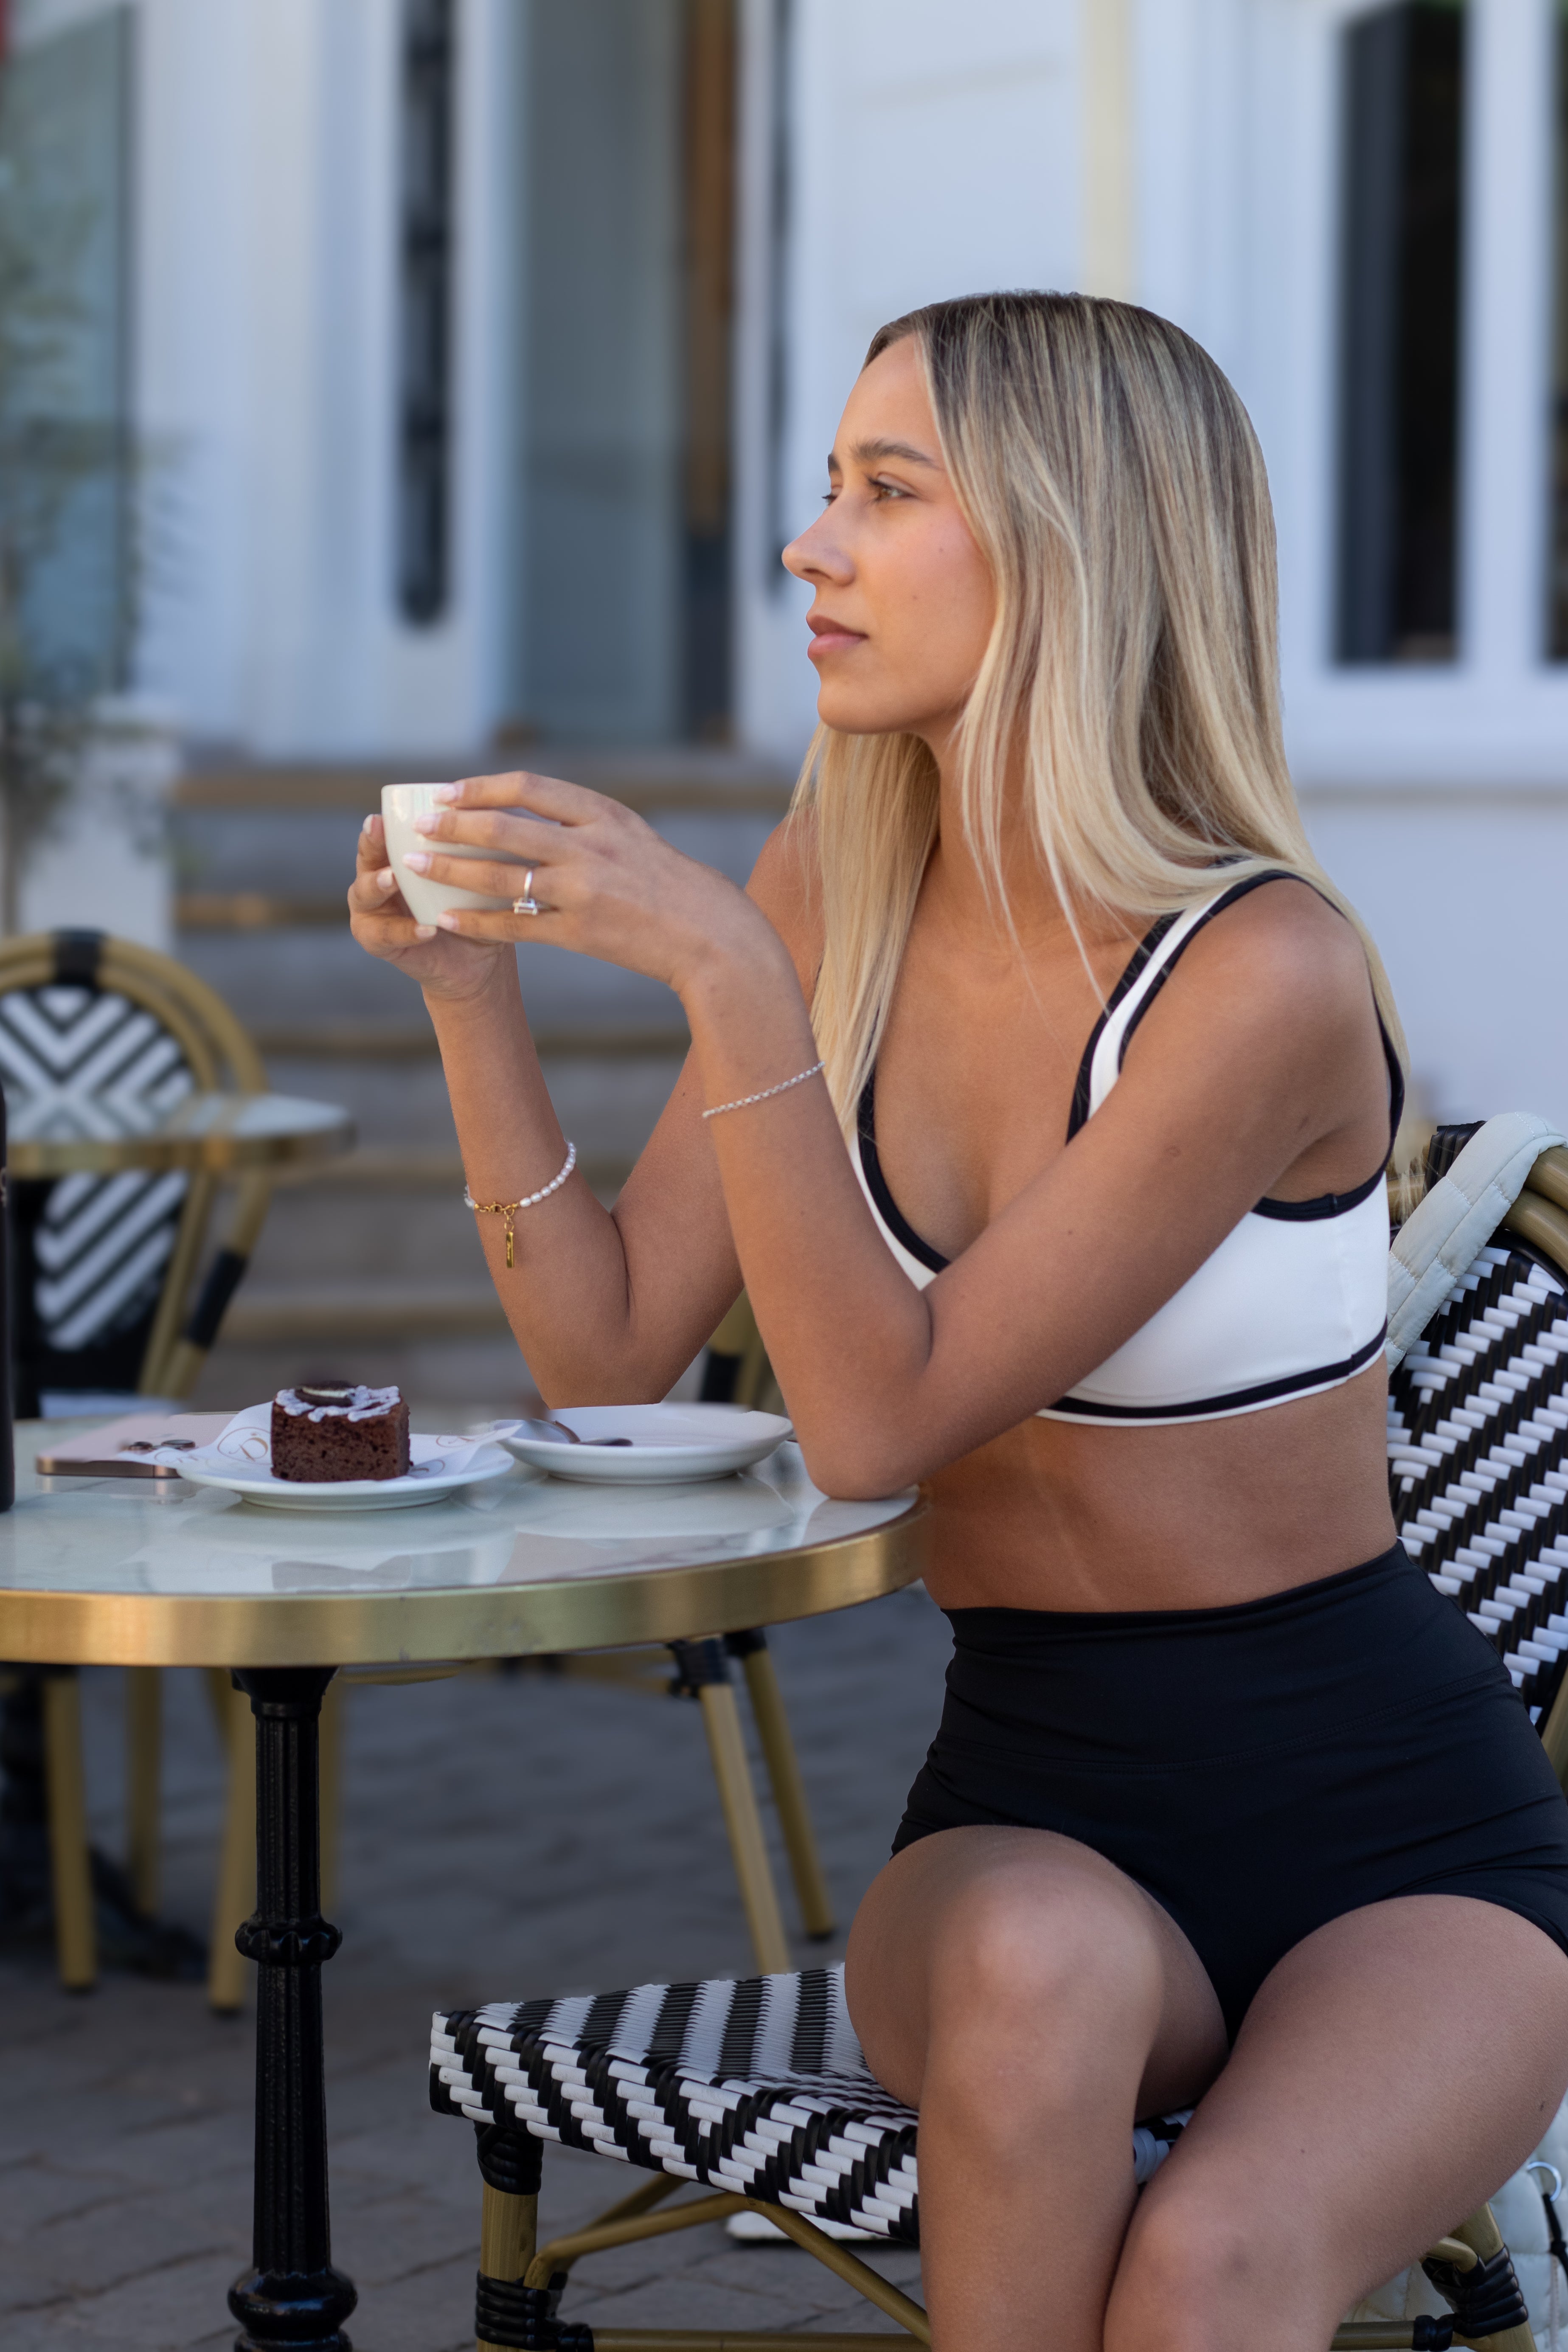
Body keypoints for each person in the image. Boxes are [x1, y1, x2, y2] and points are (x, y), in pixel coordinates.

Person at [349, 292, 1568, 2351]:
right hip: (1030, 1808)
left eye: (886, 493)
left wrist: (732, 983)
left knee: (1206, 2281)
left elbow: (872, 1423)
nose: (810, 548)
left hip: (1404, 1836)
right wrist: (474, 1004)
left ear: (1076, 553)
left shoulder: (1257, 971)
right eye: (825, 488)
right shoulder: (843, 873)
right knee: (1038, 1967)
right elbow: (611, 1351)